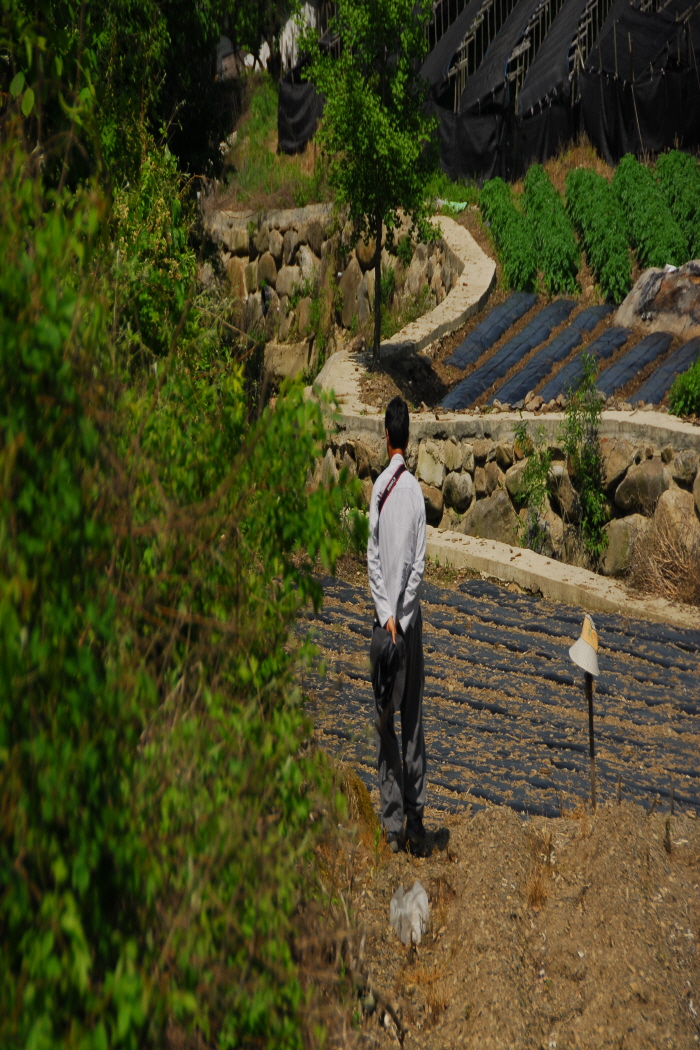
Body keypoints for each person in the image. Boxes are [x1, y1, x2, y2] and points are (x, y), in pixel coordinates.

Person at [367, 396, 427, 854]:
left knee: (385, 722)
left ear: (386, 436)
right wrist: (403, 618)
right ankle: (416, 822)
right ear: (408, 438)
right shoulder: (416, 493)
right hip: (408, 626)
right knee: (413, 720)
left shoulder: (378, 490)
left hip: (382, 625)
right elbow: (419, 566)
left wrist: (386, 615)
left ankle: (391, 828)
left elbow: (372, 559)